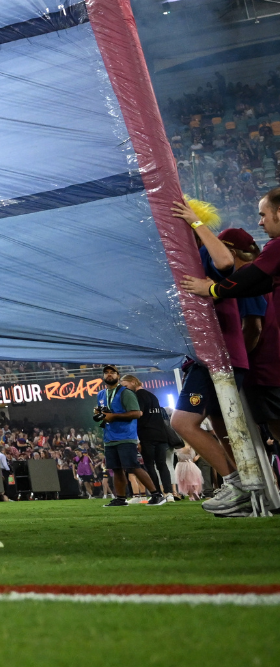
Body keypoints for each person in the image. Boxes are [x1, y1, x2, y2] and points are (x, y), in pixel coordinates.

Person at [175, 191, 280, 515]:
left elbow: (226, 265)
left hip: (221, 359)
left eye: (264, 214)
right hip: (215, 358)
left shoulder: (205, 256)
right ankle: (250, 491)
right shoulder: (187, 259)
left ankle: (238, 485)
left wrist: (194, 219)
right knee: (229, 432)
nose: (260, 221)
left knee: (184, 423)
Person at [93, 365, 144, 507]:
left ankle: (157, 494)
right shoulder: (101, 394)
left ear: (118, 375)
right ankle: (120, 499)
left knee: (132, 467)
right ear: (103, 376)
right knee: (116, 469)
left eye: (112, 372)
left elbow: (136, 413)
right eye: (106, 373)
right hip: (109, 436)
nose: (109, 375)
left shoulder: (125, 392)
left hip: (125, 435)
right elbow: (104, 413)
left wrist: (113, 416)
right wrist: (100, 414)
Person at [124, 374, 174, 505]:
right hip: (161, 435)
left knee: (150, 465)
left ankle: (156, 493)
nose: (125, 389)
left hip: (147, 435)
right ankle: (169, 493)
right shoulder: (153, 396)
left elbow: (138, 415)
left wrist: (137, 439)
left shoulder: (138, 396)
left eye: (126, 385)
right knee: (162, 465)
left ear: (133, 382)